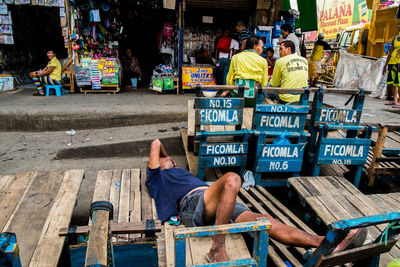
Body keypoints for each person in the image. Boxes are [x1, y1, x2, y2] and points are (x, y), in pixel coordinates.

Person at [146, 138, 368, 263]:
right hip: (192, 205)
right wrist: (166, 158)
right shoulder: (156, 177)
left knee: (265, 220)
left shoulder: (181, 173)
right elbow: (156, 142)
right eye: (167, 161)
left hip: (213, 199)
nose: (171, 161)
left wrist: (171, 162)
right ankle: (217, 247)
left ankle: (324, 242)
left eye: (173, 161)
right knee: (233, 178)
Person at [222, 36, 268, 107]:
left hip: (238, 95)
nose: (262, 50)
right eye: (261, 47)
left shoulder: (235, 57)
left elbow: (229, 79)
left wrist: (230, 90)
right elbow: (264, 83)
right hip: (254, 97)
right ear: (255, 47)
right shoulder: (263, 61)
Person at [383, 23, 400, 108]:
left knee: (398, 82)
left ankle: (398, 101)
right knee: (393, 83)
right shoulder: (395, 39)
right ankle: (395, 101)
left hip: (399, 63)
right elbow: (390, 53)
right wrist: (385, 65)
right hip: (392, 62)